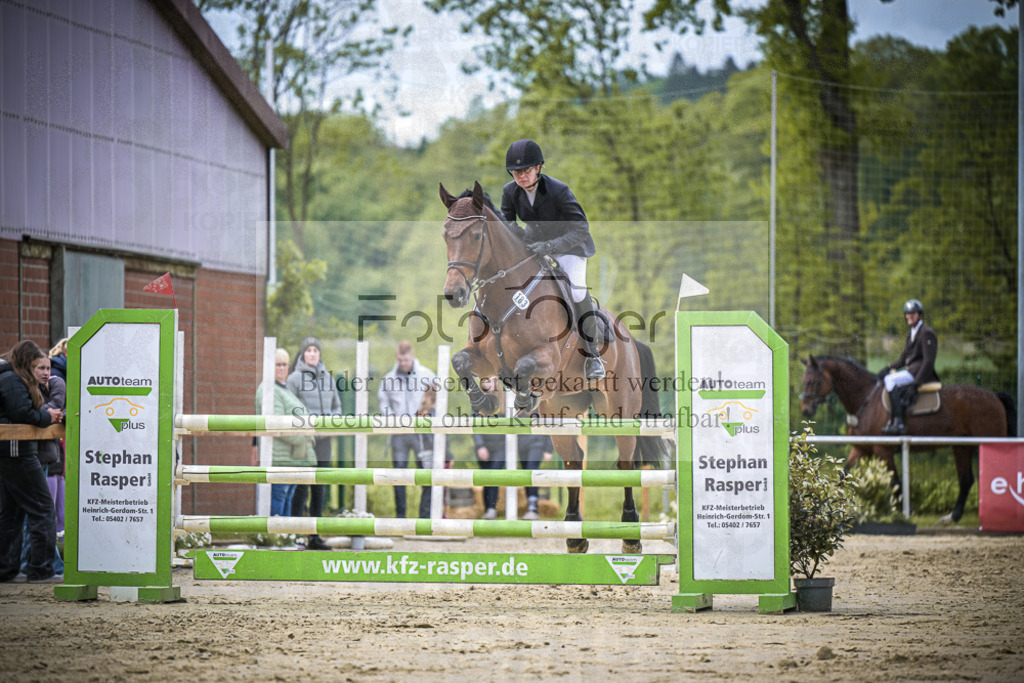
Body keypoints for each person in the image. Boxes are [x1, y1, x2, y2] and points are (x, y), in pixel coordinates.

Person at [501, 139, 605, 381]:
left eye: (525, 170)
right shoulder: (509, 192)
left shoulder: (558, 190)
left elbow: (581, 228)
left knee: (577, 292)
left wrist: (550, 246)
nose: (520, 176)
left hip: (570, 247)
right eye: (516, 172)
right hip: (536, 246)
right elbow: (507, 226)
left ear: (538, 168)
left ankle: (593, 355)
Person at [0, 341, 63, 582]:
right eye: (39, 367)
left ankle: (6, 569)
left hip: (9, 452)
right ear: (27, 364)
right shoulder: (13, 381)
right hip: (17, 451)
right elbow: (22, 414)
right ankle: (40, 569)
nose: (45, 373)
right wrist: (47, 417)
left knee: (11, 513)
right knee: (43, 509)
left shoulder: (8, 378)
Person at [473, 377, 554, 520]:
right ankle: (491, 508)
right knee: (507, 475)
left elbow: (546, 422)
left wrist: (548, 448)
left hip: (531, 443)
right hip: (516, 444)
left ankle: (533, 507)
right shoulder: (505, 400)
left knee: (530, 473)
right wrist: (480, 445)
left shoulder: (532, 399)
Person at [285, 338, 340, 550]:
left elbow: (337, 405)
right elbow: (291, 407)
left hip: (324, 440)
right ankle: (296, 535)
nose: (312, 354)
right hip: (304, 440)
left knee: (320, 487)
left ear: (319, 354)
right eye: (308, 350)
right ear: (302, 354)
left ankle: (314, 536)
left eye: (316, 350)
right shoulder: (294, 379)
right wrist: (309, 425)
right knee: (301, 485)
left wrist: (329, 423)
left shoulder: (329, 379)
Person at [377, 341, 438, 518]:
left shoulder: (427, 375)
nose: (403, 363)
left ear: (412, 356)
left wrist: (428, 413)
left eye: (406, 360)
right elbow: (383, 401)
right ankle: (400, 517)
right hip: (399, 433)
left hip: (421, 433)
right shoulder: (389, 379)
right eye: (400, 360)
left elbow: (437, 399)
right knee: (398, 474)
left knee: (426, 474)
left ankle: (425, 517)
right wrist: (389, 416)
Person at [254, 348, 317, 518]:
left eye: (285, 365)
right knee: (279, 497)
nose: (282, 369)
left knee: (287, 498)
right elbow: (278, 423)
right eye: (277, 365)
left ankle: (285, 537)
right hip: (279, 457)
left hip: (291, 457)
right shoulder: (269, 390)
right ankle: (275, 538)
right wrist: (304, 437)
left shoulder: (283, 389)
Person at [878, 299, 939, 435]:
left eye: (913, 313)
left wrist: (916, 383)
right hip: (910, 370)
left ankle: (898, 421)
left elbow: (928, 361)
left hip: (919, 373)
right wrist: (888, 368)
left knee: (891, 380)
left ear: (920, 315)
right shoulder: (911, 333)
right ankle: (893, 420)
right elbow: (903, 360)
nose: (909, 316)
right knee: (888, 378)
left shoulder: (926, 332)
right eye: (907, 313)